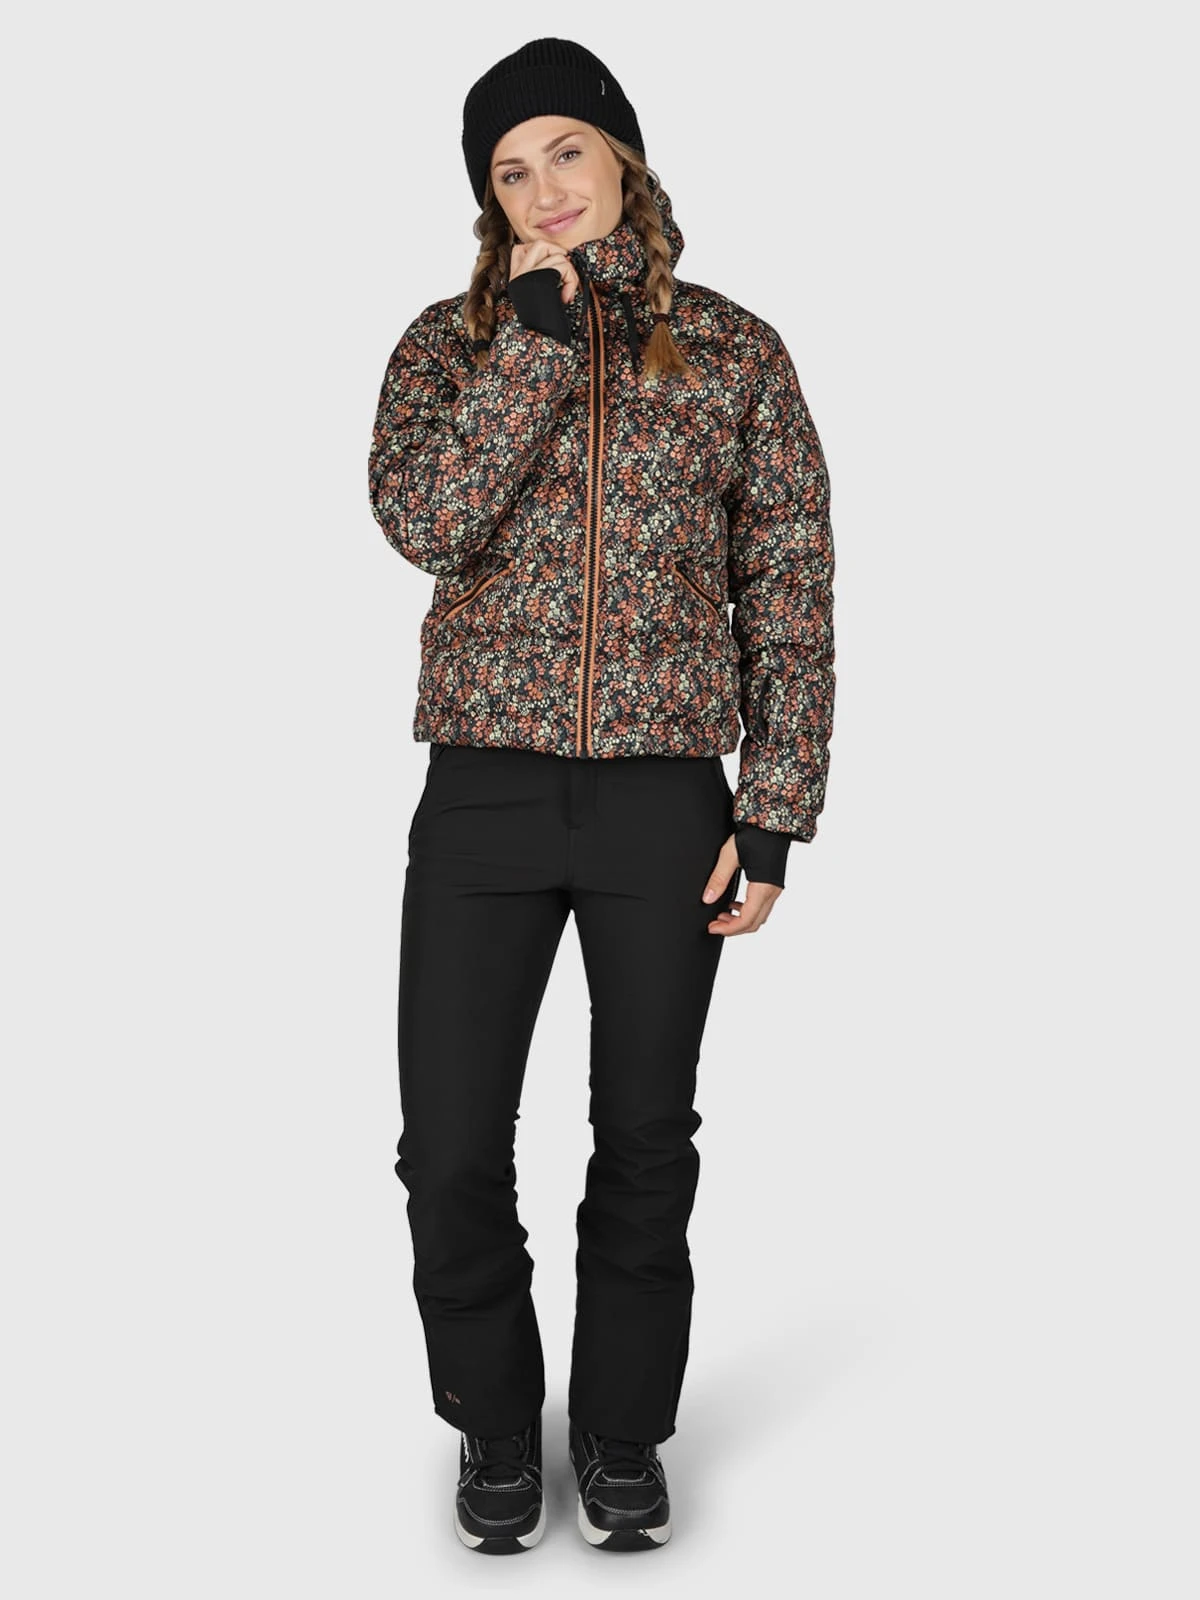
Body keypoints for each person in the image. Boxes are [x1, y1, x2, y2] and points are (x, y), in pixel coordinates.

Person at [367, 35, 835, 1555]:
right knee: (449, 1141)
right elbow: (427, 522)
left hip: (663, 805)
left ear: (622, 157)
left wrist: (774, 806)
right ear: (489, 200)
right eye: (511, 171)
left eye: (566, 151)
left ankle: (622, 1432)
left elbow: (788, 587)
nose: (545, 190)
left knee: (644, 1135)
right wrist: (533, 345)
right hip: (484, 797)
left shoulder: (732, 352)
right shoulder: (448, 348)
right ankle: (496, 1421)